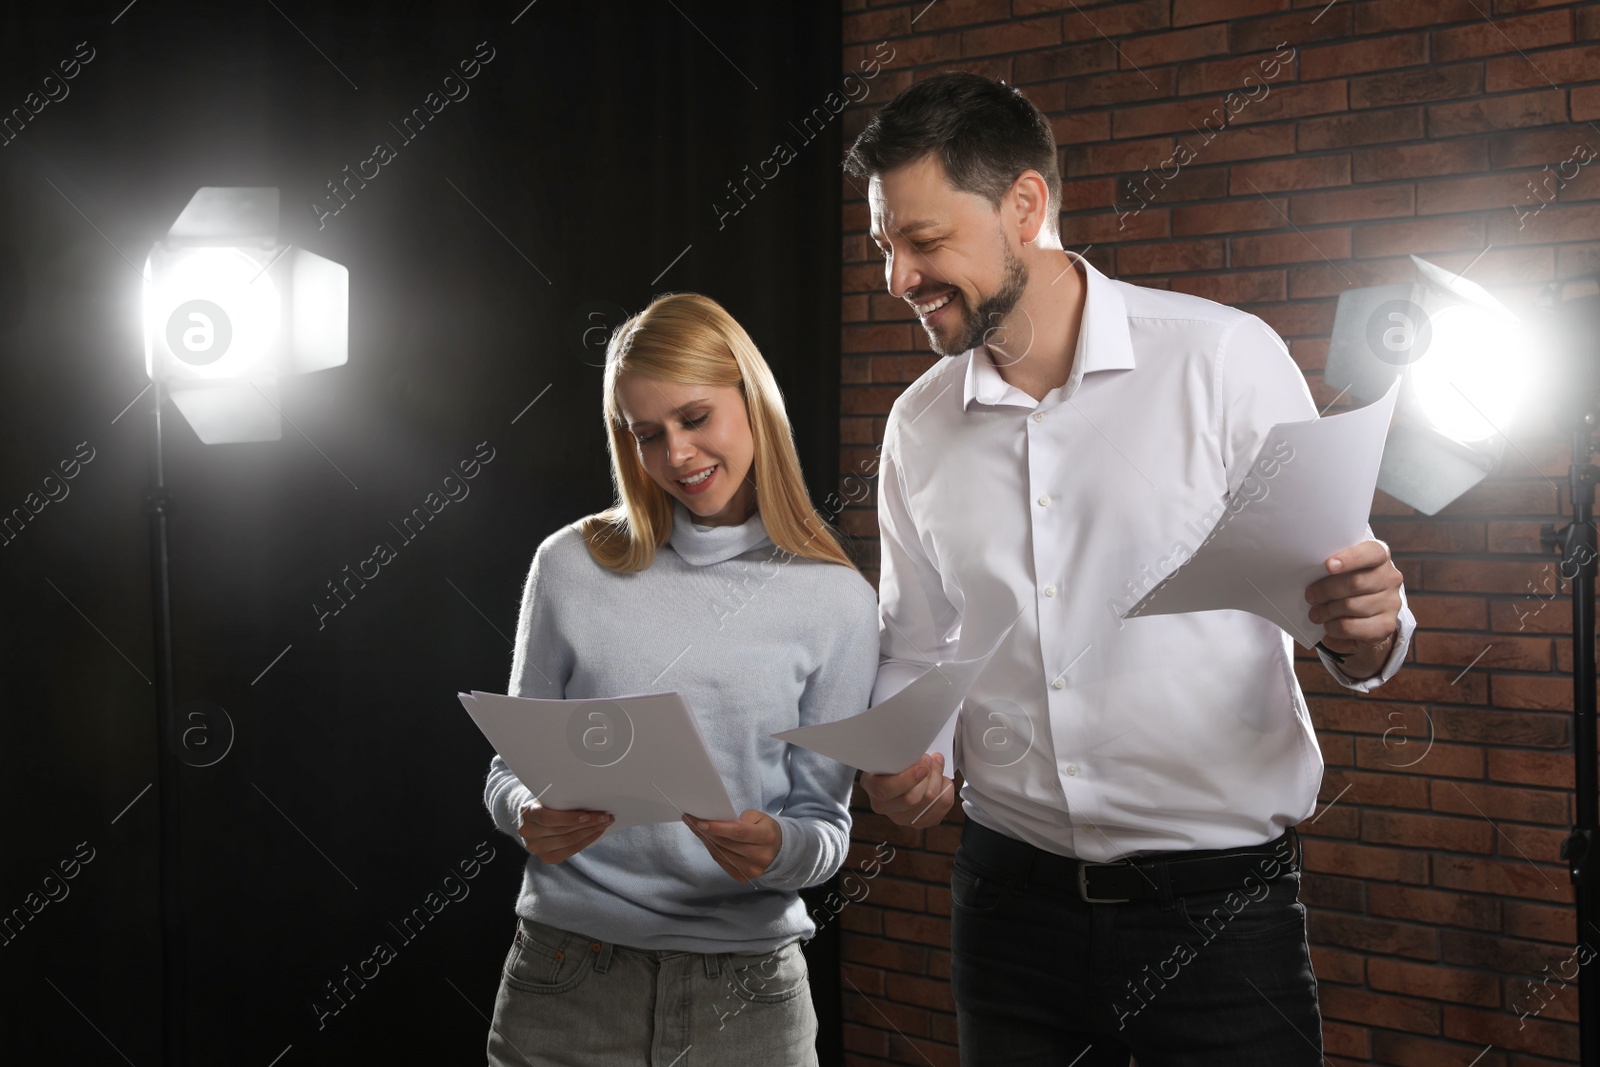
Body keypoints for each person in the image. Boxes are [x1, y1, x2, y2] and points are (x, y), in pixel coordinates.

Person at [844, 72, 1417, 1066]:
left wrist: (1370, 631)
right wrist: (900, 754)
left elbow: (1343, 608)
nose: (898, 276)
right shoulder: (917, 425)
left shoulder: (1222, 359)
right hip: (1006, 911)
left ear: (1025, 206)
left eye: (923, 242)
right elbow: (916, 642)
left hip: (1220, 918)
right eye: (883, 247)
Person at [481, 291, 878, 1067]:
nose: (678, 456)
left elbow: (825, 830)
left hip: (751, 999)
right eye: (647, 435)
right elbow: (510, 767)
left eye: (695, 419)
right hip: (566, 980)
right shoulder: (568, 564)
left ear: (753, 402)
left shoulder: (837, 600)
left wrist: (778, 849)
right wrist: (525, 810)